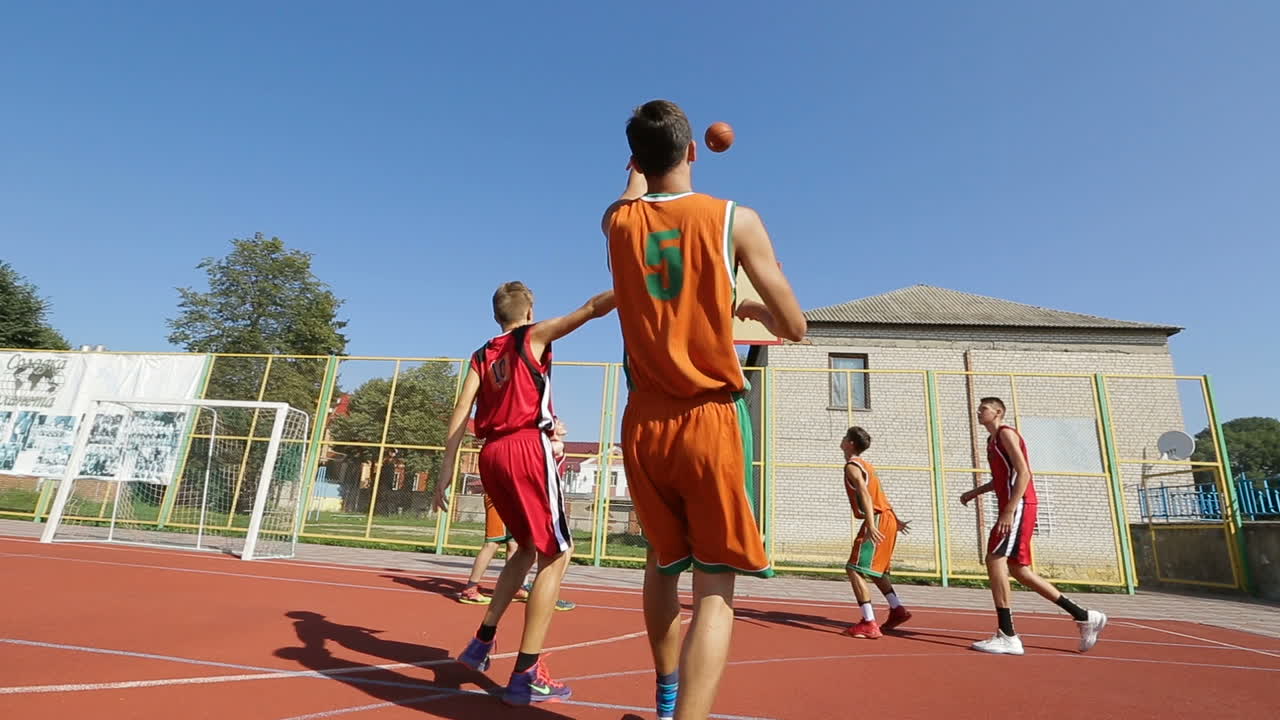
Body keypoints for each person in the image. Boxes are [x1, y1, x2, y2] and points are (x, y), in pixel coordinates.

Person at [602, 99, 806, 720]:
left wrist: (640, 160)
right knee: (715, 588)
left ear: (634, 159)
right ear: (694, 151)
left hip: (643, 421)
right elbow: (795, 326)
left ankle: (666, 696)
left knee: (662, 564)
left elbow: (634, 191)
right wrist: (749, 310)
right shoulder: (735, 221)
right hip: (710, 417)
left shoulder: (616, 222)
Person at [435, 281, 613, 704]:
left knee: (526, 548)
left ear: (495, 314)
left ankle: (482, 642)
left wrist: (445, 468)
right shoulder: (530, 336)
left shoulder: (481, 355)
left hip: (490, 454)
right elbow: (590, 308)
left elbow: (462, 413)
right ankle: (527, 672)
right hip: (524, 447)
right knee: (558, 552)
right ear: (529, 309)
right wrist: (633, 279)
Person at [961, 396, 1108, 655]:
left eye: (983, 408)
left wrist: (1008, 510)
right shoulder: (991, 441)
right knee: (1020, 571)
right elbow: (1002, 478)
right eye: (978, 408)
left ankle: (1007, 635)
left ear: (998, 412)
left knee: (994, 559)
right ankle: (1084, 616)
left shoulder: (1006, 434)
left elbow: (1024, 472)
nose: (978, 412)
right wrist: (975, 492)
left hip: (1019, 506)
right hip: (1016, 506)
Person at [455, 418, 576, 612]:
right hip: (503, 495)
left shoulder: (550, 447)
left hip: (523, 497)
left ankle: (521, 587)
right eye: (557, 421)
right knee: (493, 542)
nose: (562, 422)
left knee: (517, 545)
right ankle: (471, 587)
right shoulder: (543, 445)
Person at [839, 426, 912, 639]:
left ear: (850, 443)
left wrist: (871, 524)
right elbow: (880, 494)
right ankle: (897, 609)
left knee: (854, 569)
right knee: (878, 572)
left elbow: (865, 493)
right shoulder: (867, 465)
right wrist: (896, 520)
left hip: (878, 519)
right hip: (887, 517)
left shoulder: (852, 466)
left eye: (845, 437)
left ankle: (869, 622)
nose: (842, 440)